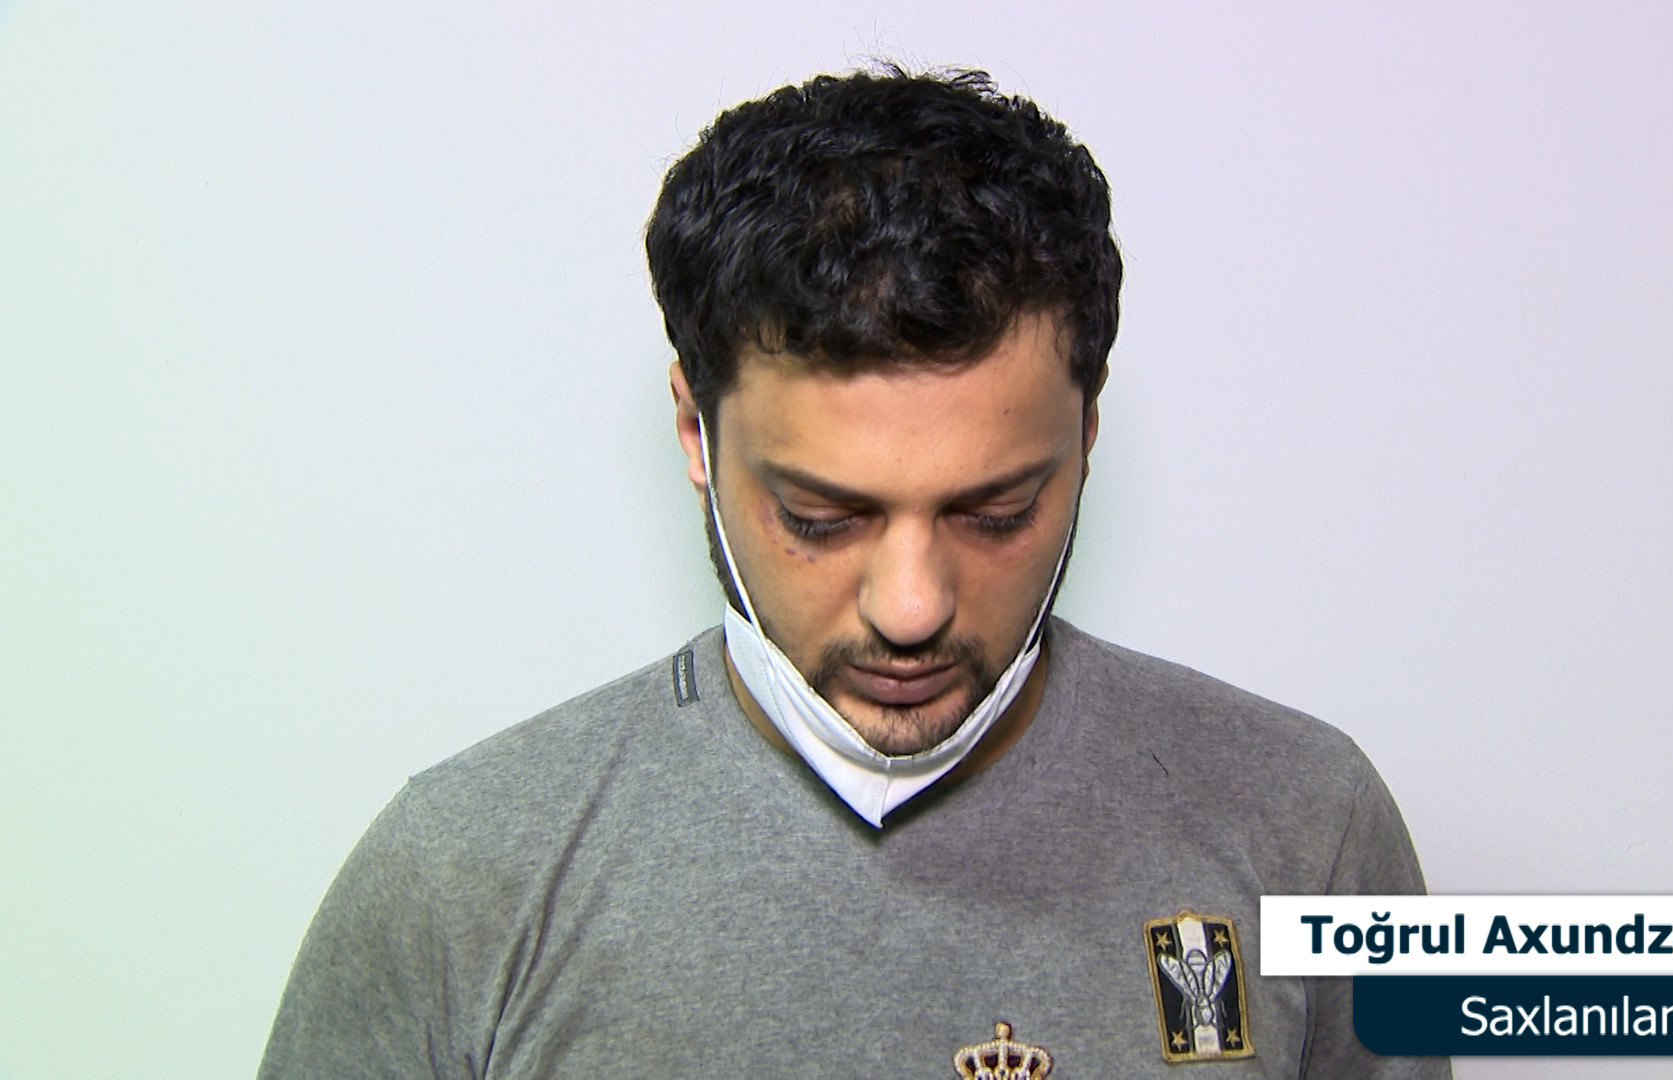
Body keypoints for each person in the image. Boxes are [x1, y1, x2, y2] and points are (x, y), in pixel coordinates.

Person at [259, 67, 1448, 1078]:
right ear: (695, 432)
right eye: (820, 517)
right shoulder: (458, 881)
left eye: (997, 512)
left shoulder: (1312, 833)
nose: (912, 608)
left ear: (1086, 439)